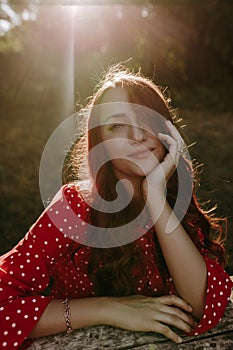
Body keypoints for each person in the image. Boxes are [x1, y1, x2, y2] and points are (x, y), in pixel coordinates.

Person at [0, 64, 232, 350]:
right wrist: (108, 308)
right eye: (118, 125)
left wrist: (155, 195)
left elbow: (203, 308)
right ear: (102, 144)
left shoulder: (174, 205)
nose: (138, 135)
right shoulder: (75, 207)